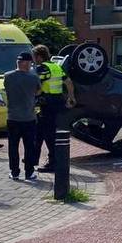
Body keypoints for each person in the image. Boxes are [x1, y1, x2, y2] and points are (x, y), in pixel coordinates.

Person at [33, 45, 75, 173]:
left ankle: (53, 163)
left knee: (48, 133)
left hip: (47, 103)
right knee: (40, 131)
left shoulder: (42, 68)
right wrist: (71, 97)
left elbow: (34, 84)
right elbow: (68, 82)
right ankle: (33, 158)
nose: (34, 60)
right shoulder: (56, 66)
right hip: (57, 102)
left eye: (34, 57)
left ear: (39, 57)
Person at [4, 51, 41, 181]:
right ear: (27, 63)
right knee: (29, 146)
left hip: (12, 117)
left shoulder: (7, 76)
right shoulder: (33, 77)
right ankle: (29, 172)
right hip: (29, 117)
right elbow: (38, 92)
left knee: (13, 146)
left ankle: (14, 172)